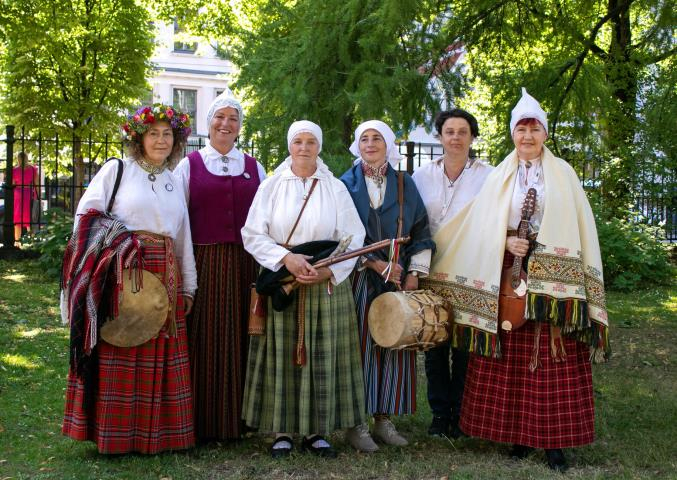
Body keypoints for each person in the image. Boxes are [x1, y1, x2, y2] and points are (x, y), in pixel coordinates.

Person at [423, 89, 610, 472]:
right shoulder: (499, 176)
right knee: (510, 357)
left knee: (551, 357)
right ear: (513, 134)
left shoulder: (565, 175)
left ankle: (554, 442)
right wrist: (505, 239)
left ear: (545, 134)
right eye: (521, 129)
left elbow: (579, 224)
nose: (527, 136)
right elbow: (480, 222)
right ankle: (518, 437)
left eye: (534, 129)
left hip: (554, 276)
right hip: (510, 269)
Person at [61, 104, 197, 454]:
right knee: (119, 348)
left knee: (157, 354)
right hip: (122, 272)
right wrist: (115, 247)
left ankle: (158, 436)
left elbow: (183, 239)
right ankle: (115, 437)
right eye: (154, 133)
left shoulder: (173, 180)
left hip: (164, 273)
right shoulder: (117, 170)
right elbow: (86, 214)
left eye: (168, 134)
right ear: (139, 138)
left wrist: (189, 285)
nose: (161, 140)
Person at [241, 120, 367, 458]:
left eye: (311, 141)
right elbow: (252, 233)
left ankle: (316, 431)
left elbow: (353, 237)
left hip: (323, 283)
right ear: (289, 145)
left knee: (318, 358)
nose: (304, 147)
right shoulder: (270, 186)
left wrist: (328, 271)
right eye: (298, 141)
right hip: (285, 280)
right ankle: (281, 431)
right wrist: (286, 259)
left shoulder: (335, 188)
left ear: (319, 147)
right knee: (283, 358)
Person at [174, 89, 266, 442]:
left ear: (240, 127)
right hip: (205, 262)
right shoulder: (190, 166)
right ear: (208, 122)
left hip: (245, 264)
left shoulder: (254, 167)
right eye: (220, 117)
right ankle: (205, 420)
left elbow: (266, 219)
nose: (226, 124)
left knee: (245, 336)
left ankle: (241, 421)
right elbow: (179, 219)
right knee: (206, 338)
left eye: (233, 119)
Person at [340, 120, 434, 452]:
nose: (370, 143)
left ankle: (384, 420)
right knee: (359, 348)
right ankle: (356, 424)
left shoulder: (404, 183)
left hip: (396, 278)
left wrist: (413, 274)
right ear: (357, 145)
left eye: (376, 138)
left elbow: (421, 229)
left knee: (393, 343)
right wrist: (372, 262)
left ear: (388, 144)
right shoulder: (345, 184)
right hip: (359, 276)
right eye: (363, 138)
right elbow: (339, 233)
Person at [412, 109, 493, 438]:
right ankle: (438, 415)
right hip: (432, 268)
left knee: (464, 344)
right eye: (449, 131)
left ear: (472, 137)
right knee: (434, 341)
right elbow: (417, 224)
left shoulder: (490, 176)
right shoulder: (421, 175)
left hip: (470, 269)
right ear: (440, 136)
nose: (456, 137)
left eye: (463, 131)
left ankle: (461, 414)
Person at [12, 152, 39, 244]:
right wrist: (38, 197)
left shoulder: (14, 170)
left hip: (18, 195)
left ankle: (17, 243)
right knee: (30, 219)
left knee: (18, 220)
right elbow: (37, 185)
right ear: (27, 158)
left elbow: (12, 184)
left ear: (18, 159)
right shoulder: (33, 169)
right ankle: (31, 242)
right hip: (28, 194)